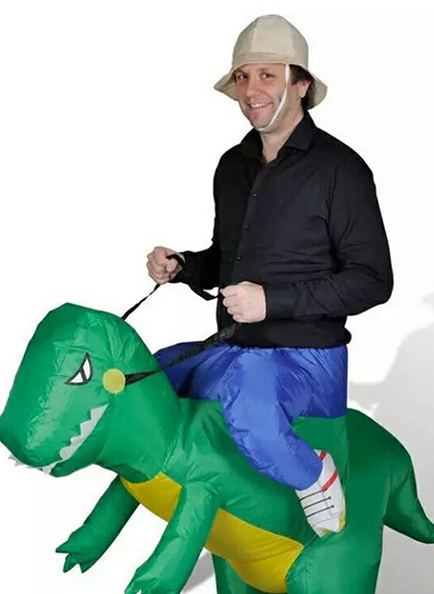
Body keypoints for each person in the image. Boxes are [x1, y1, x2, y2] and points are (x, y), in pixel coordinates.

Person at [145, 14, 393, 535]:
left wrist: (271, 302)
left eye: (267, 75)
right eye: (242, 77)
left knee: (245, 397)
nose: (250, 90)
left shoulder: (341, 169)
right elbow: (228, 258)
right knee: (148, 379)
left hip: (308, 359)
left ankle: (314, 477)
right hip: (234, 346)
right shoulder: (231, 166)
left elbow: (373, 279)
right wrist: (184, 266)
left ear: (300, 84)